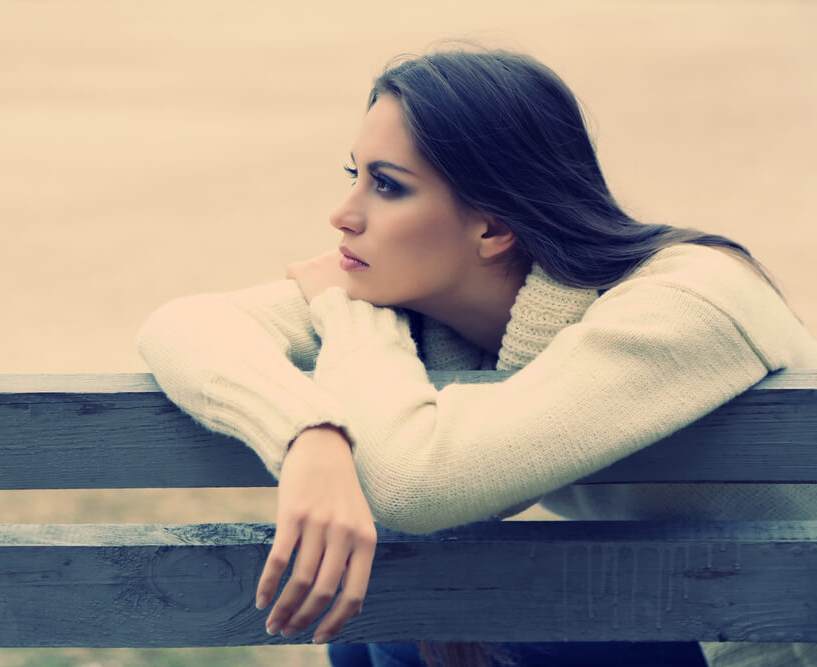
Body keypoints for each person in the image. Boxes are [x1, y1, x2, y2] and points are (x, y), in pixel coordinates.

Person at [138, 47, 817, 667]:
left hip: (769, 634)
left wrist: (347, 314)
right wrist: (306, 435)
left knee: (397, 614)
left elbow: (416, 486)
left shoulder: (690, 301)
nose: (343, 214)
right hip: (676, 609)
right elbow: (183, 324)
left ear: (492, 226)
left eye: (387, 185)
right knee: (384, 618)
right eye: (355, 175)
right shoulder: (425, 296)